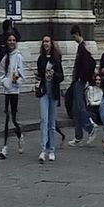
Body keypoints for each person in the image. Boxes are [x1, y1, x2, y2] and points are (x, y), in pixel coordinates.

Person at [34, 32, 65, 162]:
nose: (45, 43)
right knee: (43, 120)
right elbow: (39, 75)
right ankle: (42, 150)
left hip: (53, 93)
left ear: (51, 44)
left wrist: (53, 74)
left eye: (47, 41)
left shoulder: (56, 59)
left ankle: (51, 149)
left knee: (52, 123)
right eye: (44, 42)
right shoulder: (40, 59)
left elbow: (61, 76)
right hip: (44, 92)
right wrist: (38, 75)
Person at [0, 28, 26, 160]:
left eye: (14, 40)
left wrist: (16, 81)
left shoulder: (19, 56)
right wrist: (6, 82)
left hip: (15, 91)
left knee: (13, 118)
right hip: (7, 90)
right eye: (10, 40)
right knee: (8, 117)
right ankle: (5, 147)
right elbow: (2, 73)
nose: (12, 42)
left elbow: (22, 74)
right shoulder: (5, 57)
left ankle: (20, 136)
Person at [68, 26, 95, 146]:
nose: (74, 39)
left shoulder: (82, 48)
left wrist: (82, 78)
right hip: (78, 80)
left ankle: (90, 126)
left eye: (74, 36)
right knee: (75, 109)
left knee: (80, 107)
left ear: (78, 34)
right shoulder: (83, 47)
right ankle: (78, 136)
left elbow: (85, 65)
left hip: (80, 81)